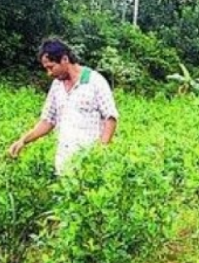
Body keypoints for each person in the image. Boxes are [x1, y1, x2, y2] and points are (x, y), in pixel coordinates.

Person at [9, 38, 119, 174]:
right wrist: (23, 140)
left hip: (89, 166)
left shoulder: (94, 81)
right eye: (46, 69)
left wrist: (101, 151)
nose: (49, 73)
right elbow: (48, 120)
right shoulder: (57, 85)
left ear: (65, 59)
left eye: (51, 67)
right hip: (63, 164)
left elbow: (111, 117)